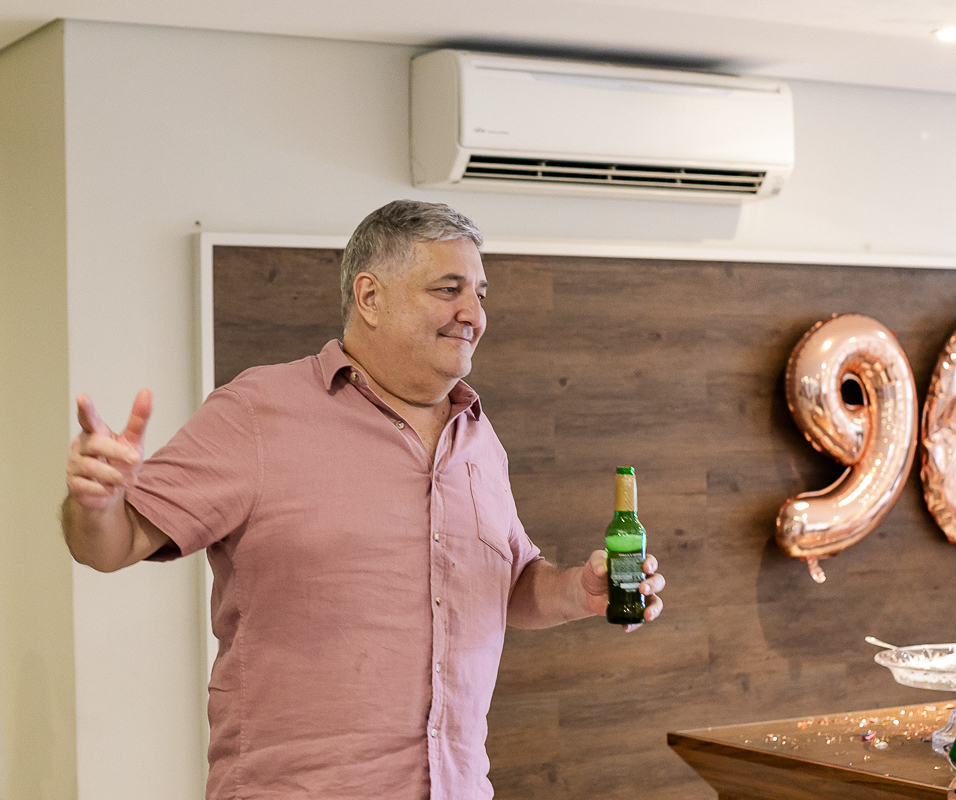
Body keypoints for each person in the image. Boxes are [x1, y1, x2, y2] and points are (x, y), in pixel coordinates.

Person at [62, 200, 665, 800]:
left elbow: (505, 584)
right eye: (448, 289)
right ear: (371, 297)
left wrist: (578, 592)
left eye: (480, 294)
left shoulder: (478, 437)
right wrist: (98, 505)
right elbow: (115, 545)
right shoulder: (258, 412)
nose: (472, 314)